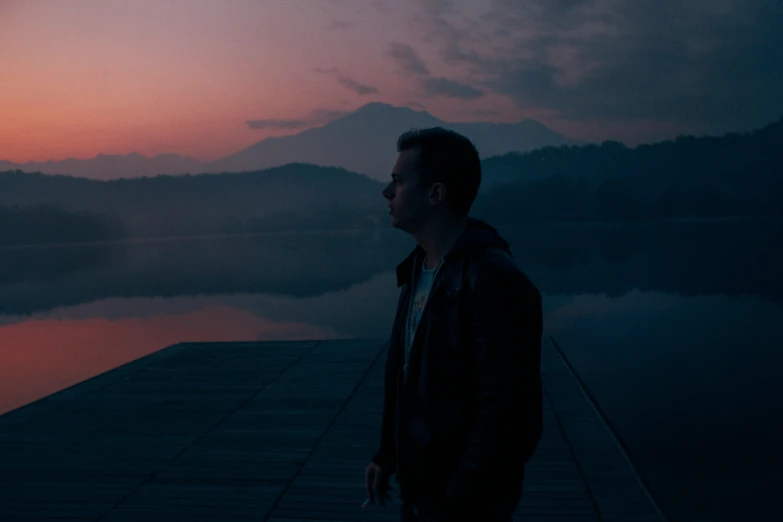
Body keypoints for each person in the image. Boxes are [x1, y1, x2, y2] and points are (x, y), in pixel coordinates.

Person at [364, 127, 544, 522]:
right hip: (423, 494)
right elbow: (410, 379)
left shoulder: (495, 282)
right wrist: (388, 454)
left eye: (397, 181)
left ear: (435, 194)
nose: (386, 192)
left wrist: (455, 503)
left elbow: (508, 419)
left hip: (462, 506)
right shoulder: (419, 268)